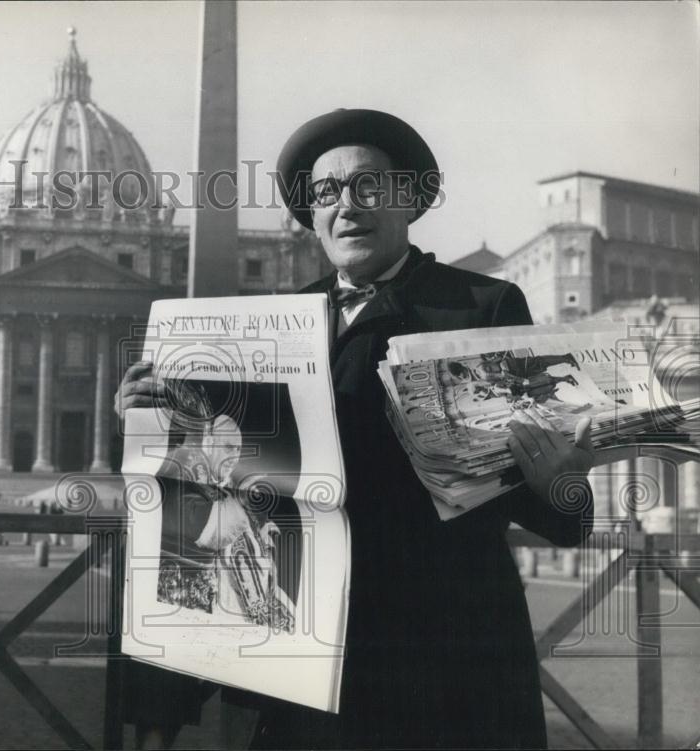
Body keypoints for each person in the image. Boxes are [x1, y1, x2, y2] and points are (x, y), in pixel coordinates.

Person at [116, 109, 595, 749]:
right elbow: (214, 485)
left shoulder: (482, 306)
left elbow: (552, 511)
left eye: (369, 187)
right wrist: (152, 420)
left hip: (446, 655)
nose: (347, 206)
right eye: (326, 193)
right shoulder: (271, 325)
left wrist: (562, 482)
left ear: (409, 202)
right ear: (313, 217)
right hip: (315, 654)